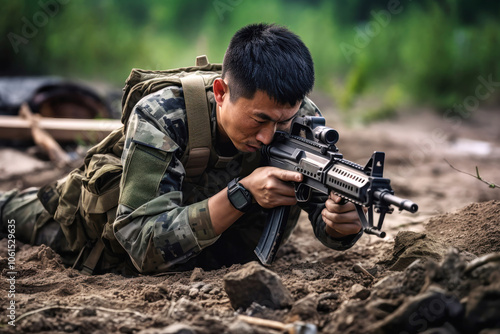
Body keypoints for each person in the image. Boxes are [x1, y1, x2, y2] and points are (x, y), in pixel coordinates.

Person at [0, 23, 362, 274]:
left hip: (213, 253)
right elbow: (140, 241)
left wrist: (339, 225)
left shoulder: (302, 120)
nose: (270, 136)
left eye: (283, 120)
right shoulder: (164, 115)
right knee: (11, 213)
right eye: (259, 119)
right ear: (221, 93)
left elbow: (323, 213)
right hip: (87, 227)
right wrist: (243, 195)